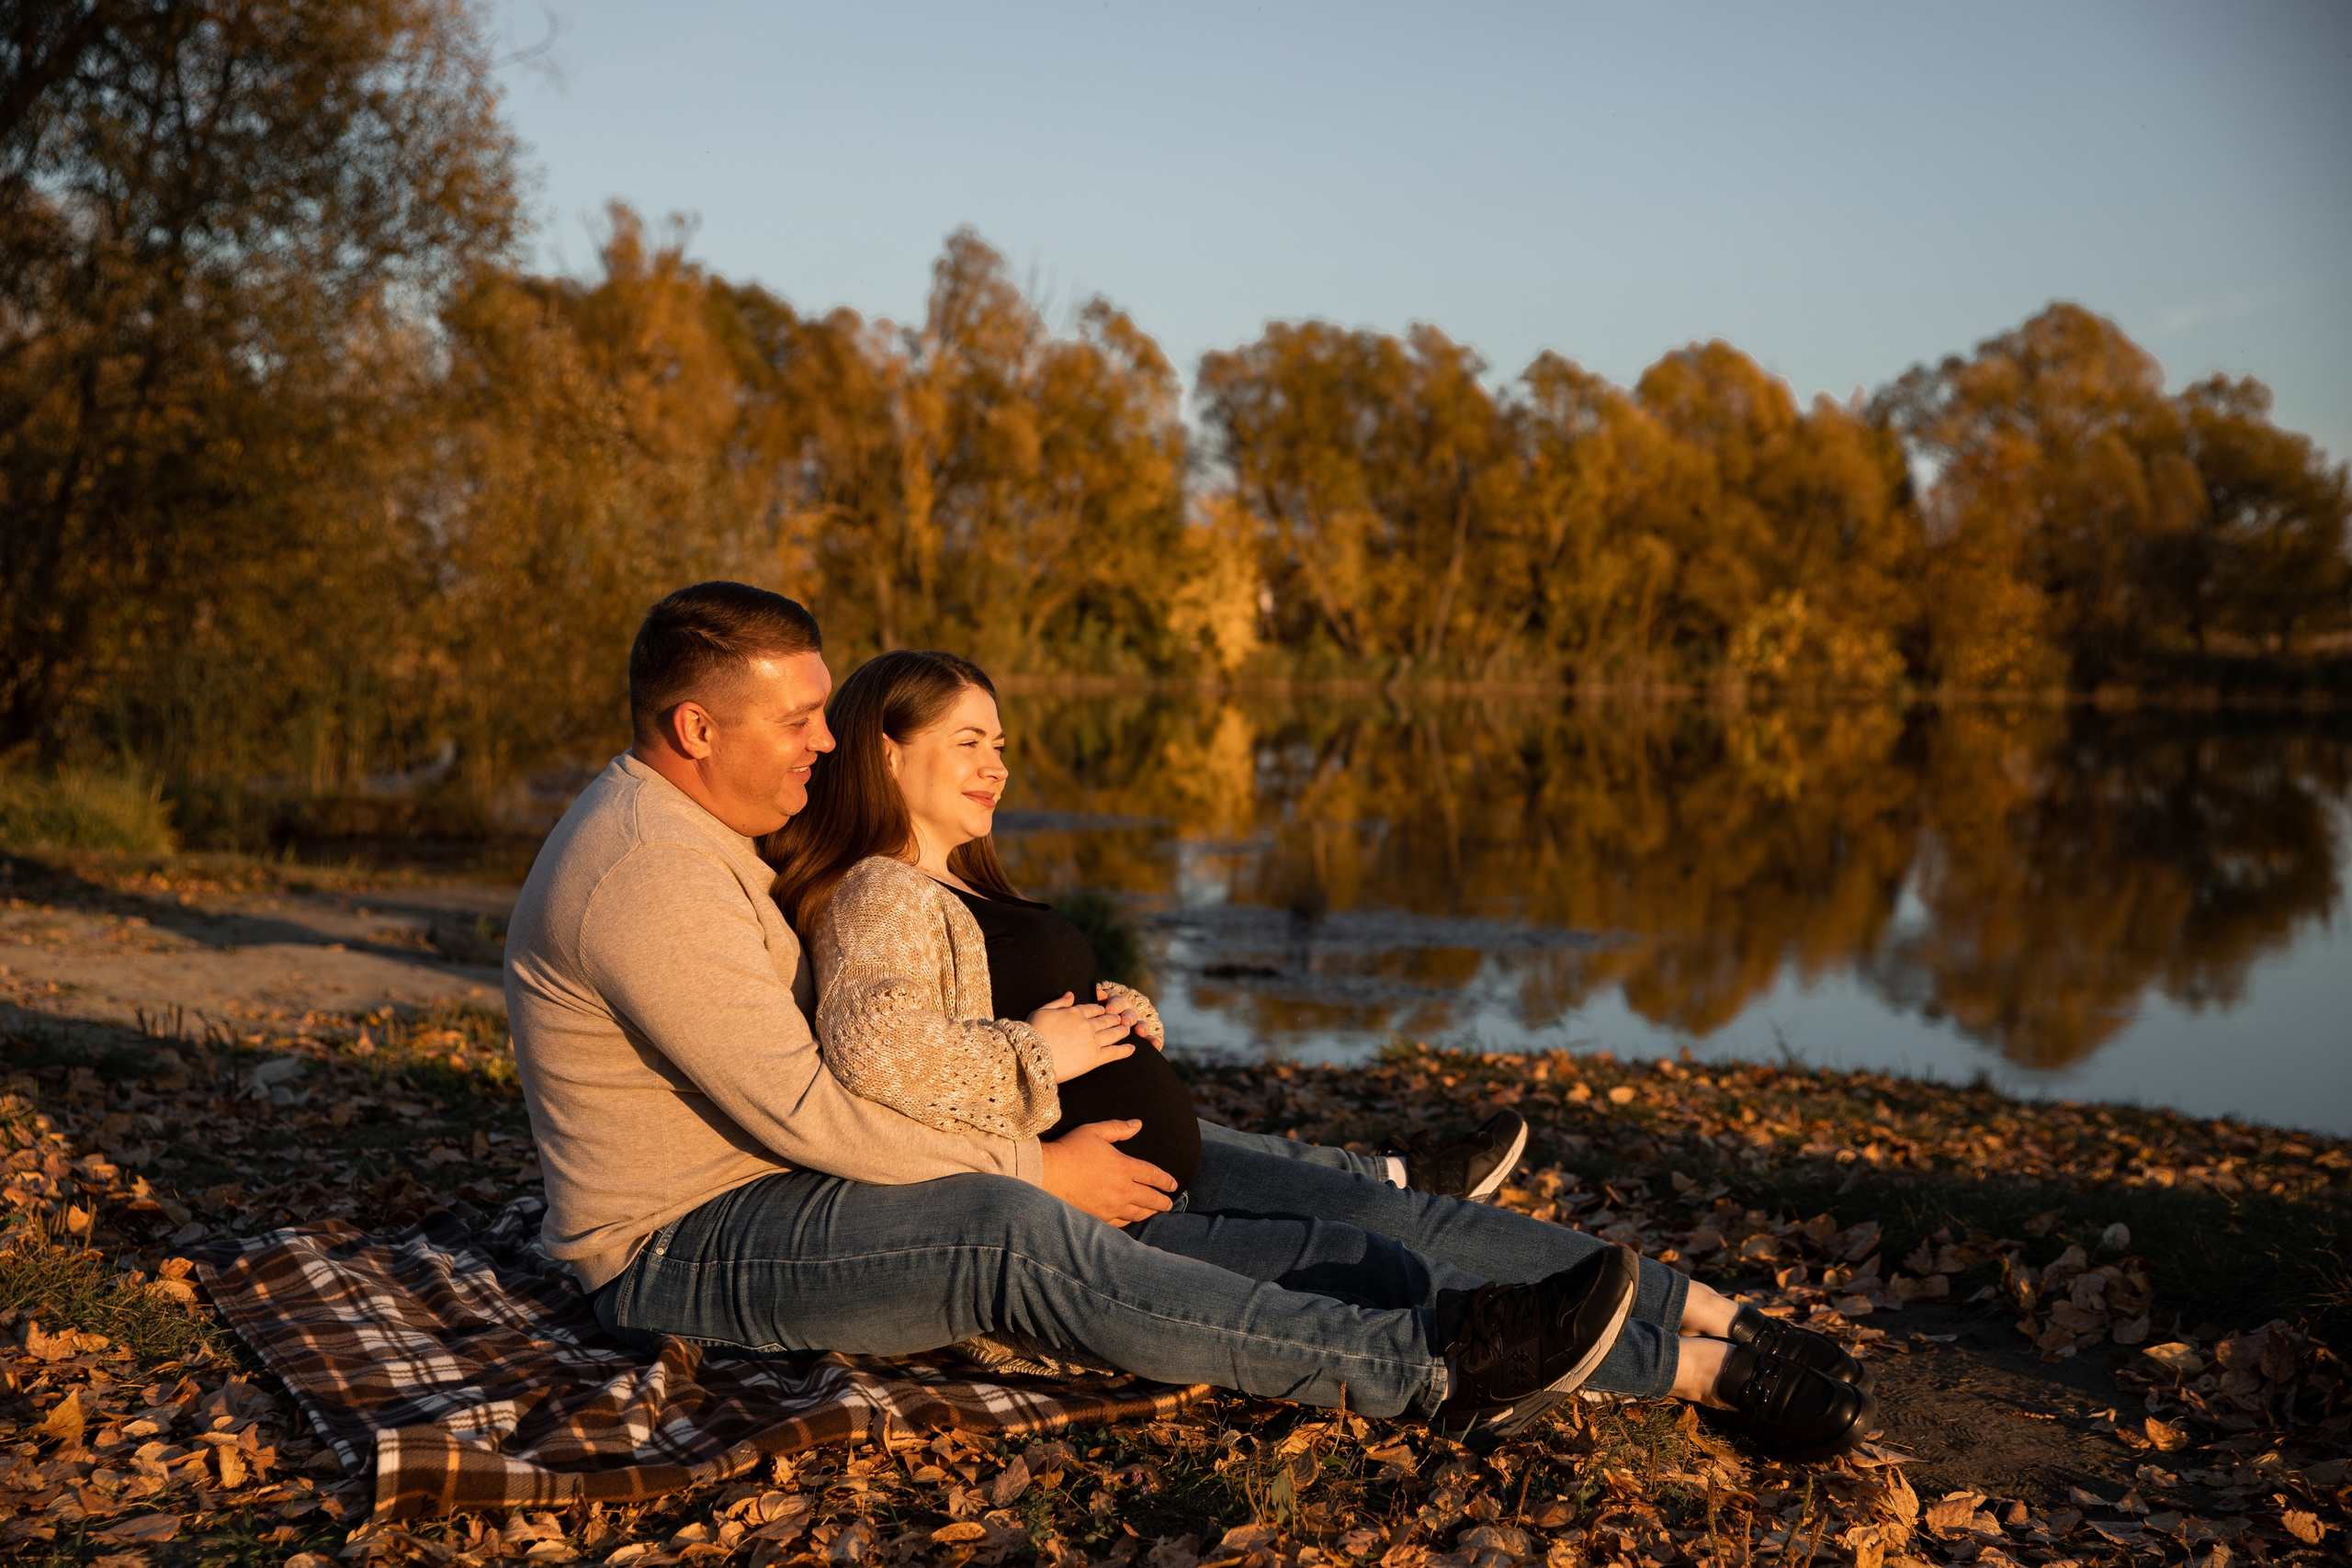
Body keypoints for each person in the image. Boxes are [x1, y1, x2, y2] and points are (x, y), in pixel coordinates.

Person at [503, 581, 1878, 1458]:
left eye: (829, 714)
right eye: (800, 716)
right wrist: (1033, 1161)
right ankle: (1428, 1368)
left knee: (1327, 1203)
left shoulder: (708, 837)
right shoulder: (646, 877)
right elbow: (809, 1111)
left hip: (798, 1181)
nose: (824, 739)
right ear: (694, 730)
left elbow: (873, 1032)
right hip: (684, 1244)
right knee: (1006, 1235)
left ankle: (1703, 1327)